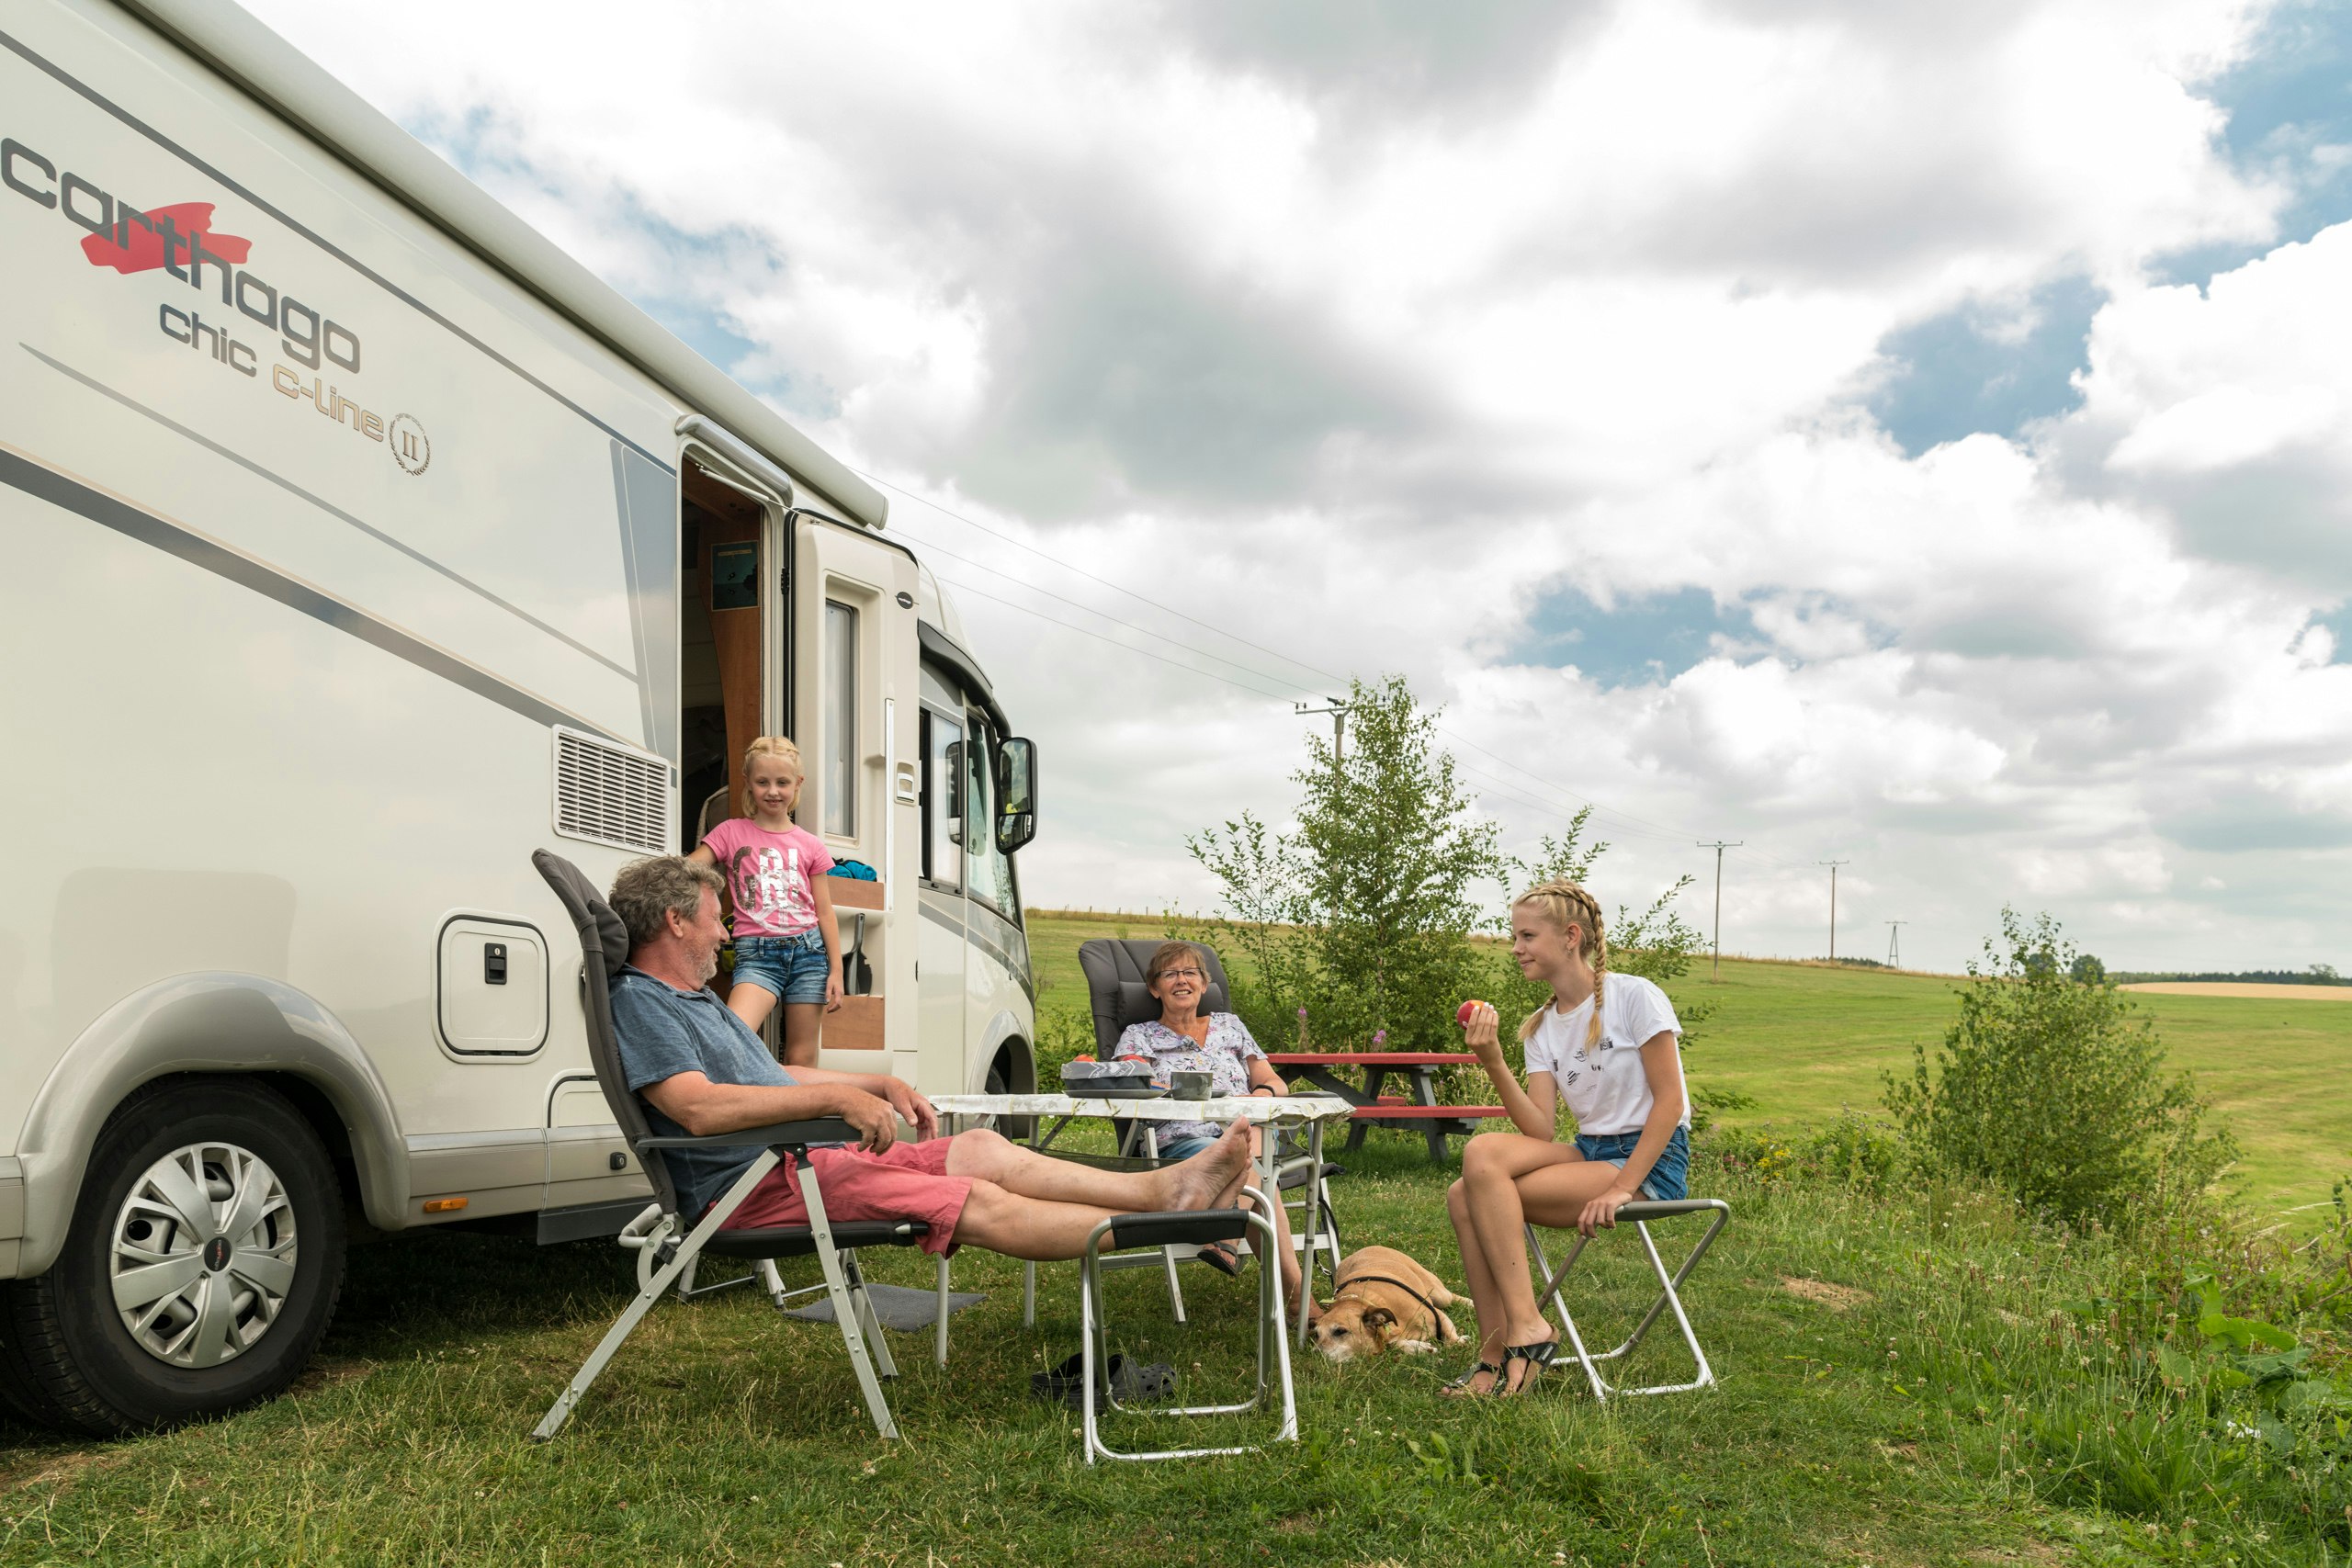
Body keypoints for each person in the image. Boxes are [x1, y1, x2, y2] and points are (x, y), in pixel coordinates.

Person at [607, 856, 1256, 1263]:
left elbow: (775, 1077)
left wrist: (875, 1082)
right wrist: (834, 1100)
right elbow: (695, 1108)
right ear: (675, 921)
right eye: (715, 919)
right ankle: (1169, 1219)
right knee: (974, 1197)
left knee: (981, 1148)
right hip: (758, 1185)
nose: (725, 933)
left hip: (801, 1160)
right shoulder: (643, 1001)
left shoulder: (698, 1000)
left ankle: (1162, 1191)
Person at [1442, 879, 1690, 1396]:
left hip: (1649, 1159)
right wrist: (1492, 1060)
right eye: (1515, 936)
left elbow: (1670, 1103)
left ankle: (1519, 1337)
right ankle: (1502, 1345)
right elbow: (1540, 1128)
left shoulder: (1634, 996)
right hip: (1589, 1151)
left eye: (1527, 936)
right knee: (1476, 1164)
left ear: (1571, 936)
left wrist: (1623, 1187)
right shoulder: (1541, 1026)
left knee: (1473, 1194)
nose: (1516, 948)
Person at [1113, 940, 1310, 1312]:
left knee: (1249, 1138)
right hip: (1183, 1141)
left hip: (1247, 1130)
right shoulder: (1139, 1035)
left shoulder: (1229, 1025)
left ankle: (1227, 1238)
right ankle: (1298, 1297)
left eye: (1190, 973)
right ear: (1154, 988)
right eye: (1170, 974)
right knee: (1258, 1171)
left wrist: (1261, 1095)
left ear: (1204, 984)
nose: (1181, 980)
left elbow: (1273, 1082)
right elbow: (1131, 1085)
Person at [688, 736, 842, 1066]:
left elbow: (825, 912)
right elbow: (689, 869)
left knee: (801, 1054)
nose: (773, 791)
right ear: (748, 783)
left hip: (809, 953)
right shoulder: (730, 832)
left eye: (782, 782)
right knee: (734, 1037)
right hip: (757, 956)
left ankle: (796, 1102)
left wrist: (837, 971)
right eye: (763, 782)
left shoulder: (811, 844)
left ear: (797, 783)